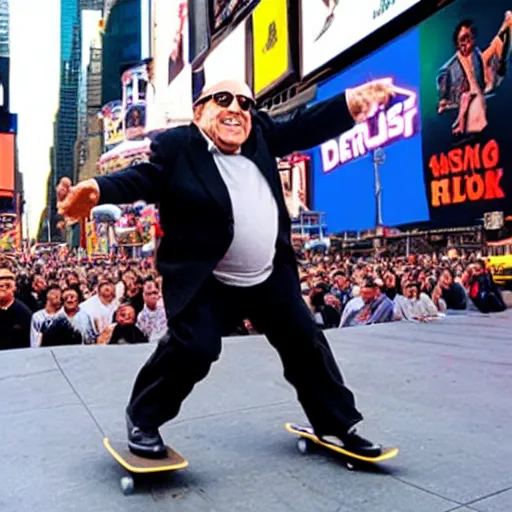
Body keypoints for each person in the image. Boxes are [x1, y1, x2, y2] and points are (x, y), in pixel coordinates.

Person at [57, 77, 396, 459]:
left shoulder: (262, 135)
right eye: (223, 100)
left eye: (245, 103)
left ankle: (336, 425)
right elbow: (143, 179)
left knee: (306, 342)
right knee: (194, 348)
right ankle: (143, 419)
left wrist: (355, 99)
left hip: (269, 277)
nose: (236, 108)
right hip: (210, 280)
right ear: (200, 111)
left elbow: (305, 124)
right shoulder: (179, 148)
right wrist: (96, 191)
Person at [0, 268, 32, 351]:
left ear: (13, 288)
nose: (3, 289)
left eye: (7, 286)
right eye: (0, 286)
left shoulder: (24, 313)